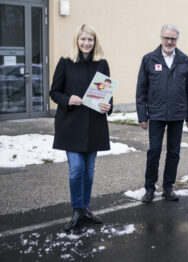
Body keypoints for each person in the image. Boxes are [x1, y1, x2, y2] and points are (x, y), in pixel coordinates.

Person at [49, 24, 112, 231]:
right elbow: (54, 92)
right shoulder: (65, 63)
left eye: (90, 40)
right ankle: (77, 209)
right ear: (77, 40)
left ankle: (85, 209)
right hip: (71, 124)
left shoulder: (102, 64)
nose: (86, 43)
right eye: (83, 39)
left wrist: (108, 106)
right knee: (76, 169)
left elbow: (107, 95)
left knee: (89, 171)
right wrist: (68, 99)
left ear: (95, 42)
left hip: (94, 124)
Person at [136, 24, 188, 204]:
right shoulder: (149, 59)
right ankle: (149, 188)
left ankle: (168, 187)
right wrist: (142, 116)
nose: (169, 41)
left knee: (174, 152)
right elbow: (141, 90)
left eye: (173, 39)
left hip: (178, 113)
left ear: (177, 40)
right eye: (166, 38)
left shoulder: (185, 60)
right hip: (156, 114)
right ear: (161, 38)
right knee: (154, 151)